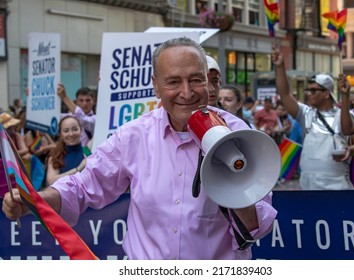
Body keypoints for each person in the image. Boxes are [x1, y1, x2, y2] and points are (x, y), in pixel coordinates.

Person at [2, 37, 276, 260]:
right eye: (172, 82)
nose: (187, 92)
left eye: (196, 79)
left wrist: (234, 178)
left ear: (208, 81)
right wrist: (33, 202)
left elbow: (258, 227)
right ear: (156, 86)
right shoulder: (134, 136)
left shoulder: (239, 135)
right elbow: (83, 187)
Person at [272, 47, 354, 190]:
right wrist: (280, 67)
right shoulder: (305, 113)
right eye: (308, 90)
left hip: (337, 185)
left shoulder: (345, 115)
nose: (308, 93)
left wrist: (351, 150)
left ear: (326, 93)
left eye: (313, 90)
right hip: (308, 184)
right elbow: (285, 94)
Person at [45, 116, 87, 186]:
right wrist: (78, 169)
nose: (71, 134)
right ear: (60, 134)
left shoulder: (88, 151)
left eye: (75, 129)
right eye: (66, 131)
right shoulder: (55, 155)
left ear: (81, 130)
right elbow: (51, 181)